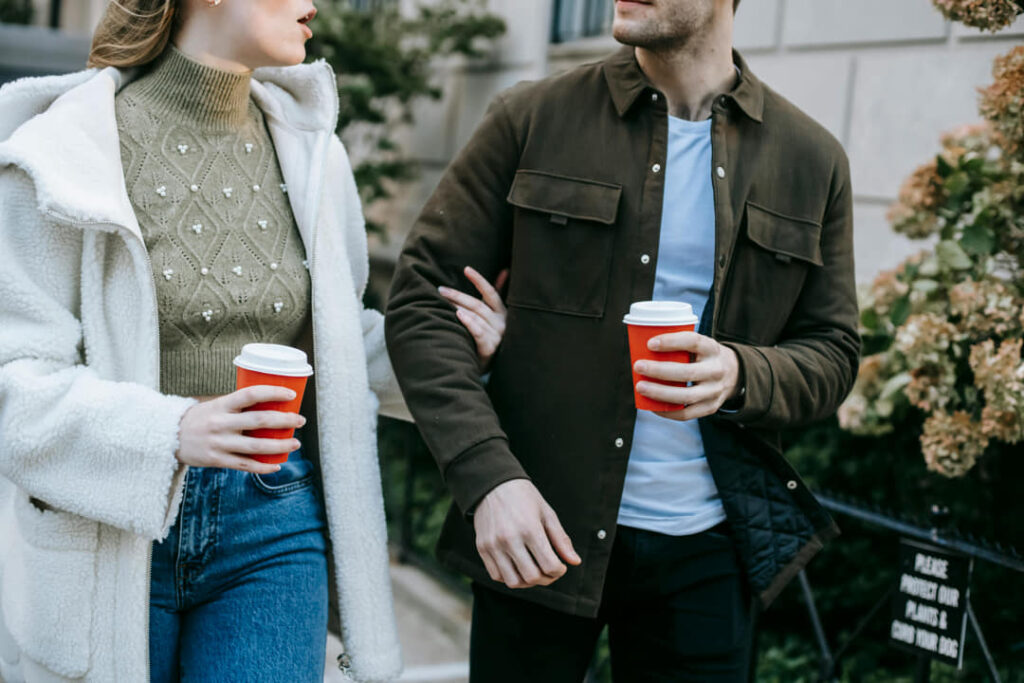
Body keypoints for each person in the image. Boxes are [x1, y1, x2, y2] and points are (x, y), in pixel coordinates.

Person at [0, 1, 505, 681]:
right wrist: (173, 429)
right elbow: (16, 383)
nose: (315, 4)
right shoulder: (64, 152)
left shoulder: (313, 151)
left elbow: (339, 340)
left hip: (273, 521)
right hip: (109, 531)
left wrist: (454, 351)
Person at [385, 0, 860, 679]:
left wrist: (741, 372)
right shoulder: (532, 117)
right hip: (537, 526)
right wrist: (487, 479)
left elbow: (835, 350)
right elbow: (423, 300)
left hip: (707, 552)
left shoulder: (812, 159)